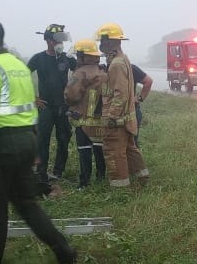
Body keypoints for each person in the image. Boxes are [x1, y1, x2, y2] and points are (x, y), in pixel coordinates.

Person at [0, 17, 77, 264]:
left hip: (0, 145)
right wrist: (33, 148)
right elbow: (30, 109)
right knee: (27, 204)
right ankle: (63, 250)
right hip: (25, 141)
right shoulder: (18, 66)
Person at [95, 22, 149, 188]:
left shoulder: (117, 64)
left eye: (103, 41)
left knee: (114, 152)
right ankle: (143, 179)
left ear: (111, 41)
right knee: (129, 149)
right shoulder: (122, 59)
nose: (100, 45)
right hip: (126, 118)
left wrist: (111, 116)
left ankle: (121, 189)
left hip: (117, 119)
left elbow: (120, 94)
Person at [27, 23, 76, 185]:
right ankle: (41, 173)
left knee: (64, 138)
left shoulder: (67, 59)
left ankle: (58, 172)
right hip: (45, 106)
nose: (61, 44)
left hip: (63, 106)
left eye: (63, 40)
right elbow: (21, 77)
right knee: (43, 140)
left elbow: (83, 72)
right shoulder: (38, 58)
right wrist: (33, 98)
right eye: (58, 40)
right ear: (48, 40)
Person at [65, 38, 107, 188]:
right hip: (100, 120)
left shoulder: (80, 73)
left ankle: (84, 183)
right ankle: (101, 178)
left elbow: (71, 96)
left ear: (83, 56)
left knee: (84, 151)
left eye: (78, 55)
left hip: (83, 121)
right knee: (99, 150)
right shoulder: (103, 72)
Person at [131, 63, 154, 147]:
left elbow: (148, 81)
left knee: (132, 144)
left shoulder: (131, 68)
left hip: (132, 112)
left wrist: (139, 99)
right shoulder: (107, 68)